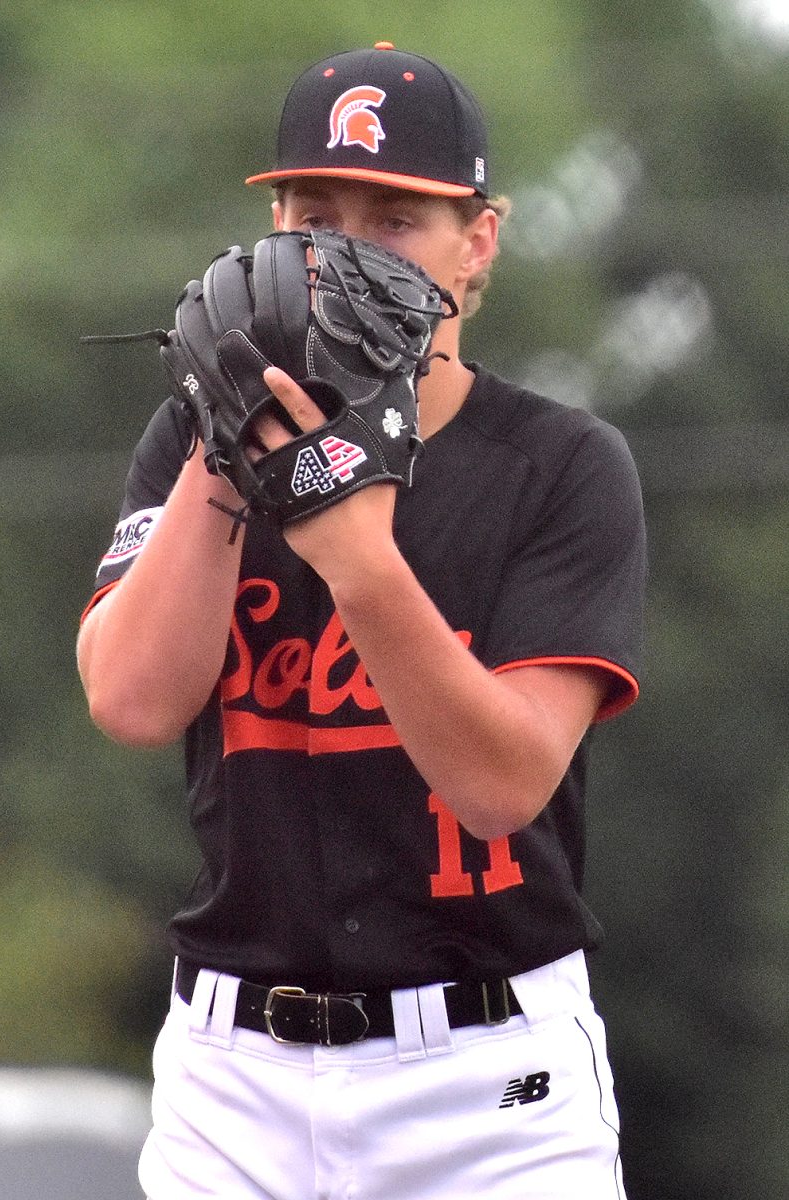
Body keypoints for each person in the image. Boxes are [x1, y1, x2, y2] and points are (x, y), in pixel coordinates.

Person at [77, 42, 645, 1200]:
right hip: (230, 1080)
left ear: (476, 241)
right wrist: (224, 452)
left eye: (395, 218)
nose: (339, 249)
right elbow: (130, 701)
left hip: (488, 1087)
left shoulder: (558, 464)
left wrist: (356, 558)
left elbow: (498, 789)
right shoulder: (192, 444)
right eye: (311, 210)